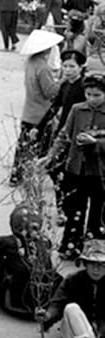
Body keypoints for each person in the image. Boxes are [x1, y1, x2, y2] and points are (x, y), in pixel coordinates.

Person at [42, 72, 105, 259]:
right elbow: (64, 135)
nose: (92, 99)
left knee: (97, 213)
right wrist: (50, 156)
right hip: (76, 170)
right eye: (88, 94)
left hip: (100, 173)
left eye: (97, 95)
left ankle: (94, 253)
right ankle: (71, 247)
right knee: (74, 210)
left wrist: (96, 143)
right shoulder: (77, 110)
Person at [10, 30, 62, 186]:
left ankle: (16, 175)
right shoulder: (43, 68)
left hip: (29, 111)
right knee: (42, 147)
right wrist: (61, 81)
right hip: (41, 114)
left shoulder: (30, 63)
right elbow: (50, 92)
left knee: (23, 146)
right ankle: (42, 177)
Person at [38, 239, 105, 338]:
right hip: (76, 334)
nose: (96, 269)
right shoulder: (72, 280)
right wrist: (48, 316)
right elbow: (57, 304)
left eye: (101, 265)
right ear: (84, 264)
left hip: (102, 336)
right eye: (92, 264)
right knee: (71, 308)